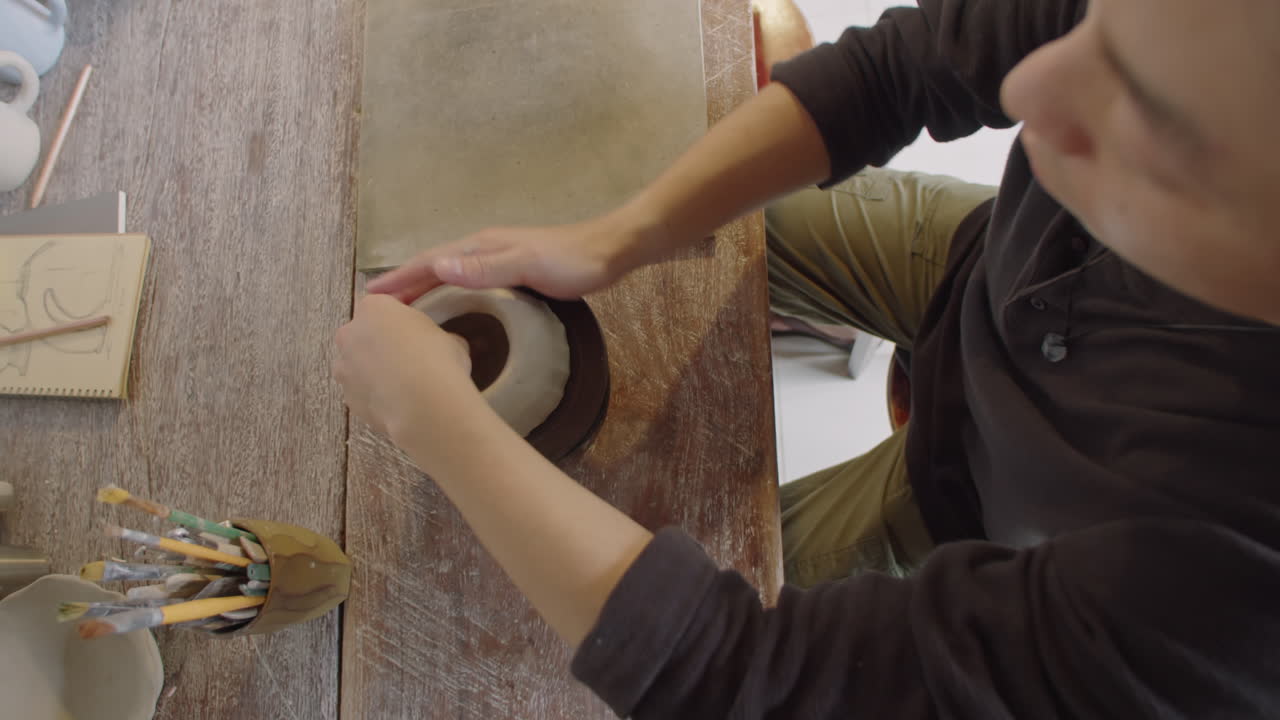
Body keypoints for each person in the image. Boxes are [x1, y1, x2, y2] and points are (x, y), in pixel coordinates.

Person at [333, 0, 1280, 715]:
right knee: (692, 216)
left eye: (1152, 125)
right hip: (975, 272)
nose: (1030, 93)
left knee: (608, 581)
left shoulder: (1224, 612)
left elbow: (739, 676)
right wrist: (624, 234)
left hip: (977, 511)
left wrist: (436, 424)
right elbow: (901, 71)